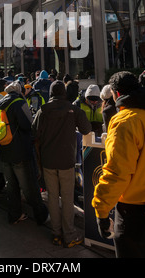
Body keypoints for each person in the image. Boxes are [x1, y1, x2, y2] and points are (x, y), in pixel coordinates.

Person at [92, 71, 145, 258]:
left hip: (134, 210)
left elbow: (117, 172)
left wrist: (101, 209)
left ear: (116, 94)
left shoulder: (125, 122)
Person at [32, 80, 91, 247]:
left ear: (50, 93)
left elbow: (34, 133)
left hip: (48, 160)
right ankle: (69, 234)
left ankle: (56, 234)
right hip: (67, 160)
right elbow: (86, 129)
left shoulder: (42, 111)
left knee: (52, 197)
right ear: (64, 93)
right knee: (66, 198)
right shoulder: (74, 110)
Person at [0, 81, 49, 225]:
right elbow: (28, 125)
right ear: (20, 91)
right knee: (29, 185)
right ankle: (41, 215)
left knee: (11, 185)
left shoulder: (0, 103)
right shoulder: (19, 102)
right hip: (20, 149)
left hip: (5, 148)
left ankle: (14, 214)